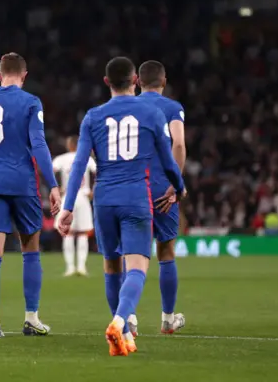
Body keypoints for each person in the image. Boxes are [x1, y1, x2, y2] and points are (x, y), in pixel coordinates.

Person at [57, 57, 185, 356]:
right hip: (135, 198)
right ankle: (119, 321)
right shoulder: (151, 113)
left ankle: (126, 331)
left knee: (111, 265)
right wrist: (178, 188)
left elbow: (79, 164)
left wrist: (67, 206)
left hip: (103, 200)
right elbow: (168, 160)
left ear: (106, 82)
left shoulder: (92, 116)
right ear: (135, 81)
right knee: (138, 267)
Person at [0, 52, 61, 338]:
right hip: (23, 184)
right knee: (30, 250)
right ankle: (31, 318)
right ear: (24, 75)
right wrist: (52, 185)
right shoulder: (30, 102)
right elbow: (38, 145)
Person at [126, 60, 187, 337]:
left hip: (134, 186)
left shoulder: (126, 106)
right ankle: (167, 318)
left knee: (133, 255)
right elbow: (179, 143)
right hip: (163, 188)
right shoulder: (172, 108)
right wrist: (176, 184)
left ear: (137, 81)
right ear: (164, 81)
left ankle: (129, 318)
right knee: (165, 253)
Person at [53, 136, 96, 276]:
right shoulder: (87, 159)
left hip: (68, 197)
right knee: (83, 233)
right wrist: (93, 189)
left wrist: (57, 188)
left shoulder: (61, 158)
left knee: (68, 233)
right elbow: (98, 171)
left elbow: (50, 170)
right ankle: (82, 267)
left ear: (69, 144)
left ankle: (70, 268)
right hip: (83, 196)